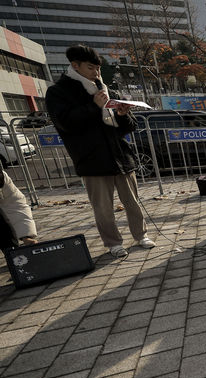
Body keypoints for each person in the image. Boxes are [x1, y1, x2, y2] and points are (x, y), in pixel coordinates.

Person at [46, 45, 155, 258]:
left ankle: (140, 235)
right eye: (90, 68)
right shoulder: (59, 92)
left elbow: (128, 127)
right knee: (103, 208)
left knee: (132, 201)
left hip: (120, 156)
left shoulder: (105, 89)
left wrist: (123, 115)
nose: (96, 74)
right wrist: (92, 107)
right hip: (92, 160)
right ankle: (113, 242)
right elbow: (65, 123)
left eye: (98, 69)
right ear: (74, 65)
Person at [0, 168, 37, 249]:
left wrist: (26, 237)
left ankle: (13, 255)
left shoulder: (2, 177)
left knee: (13, 251)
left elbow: (15, 204)